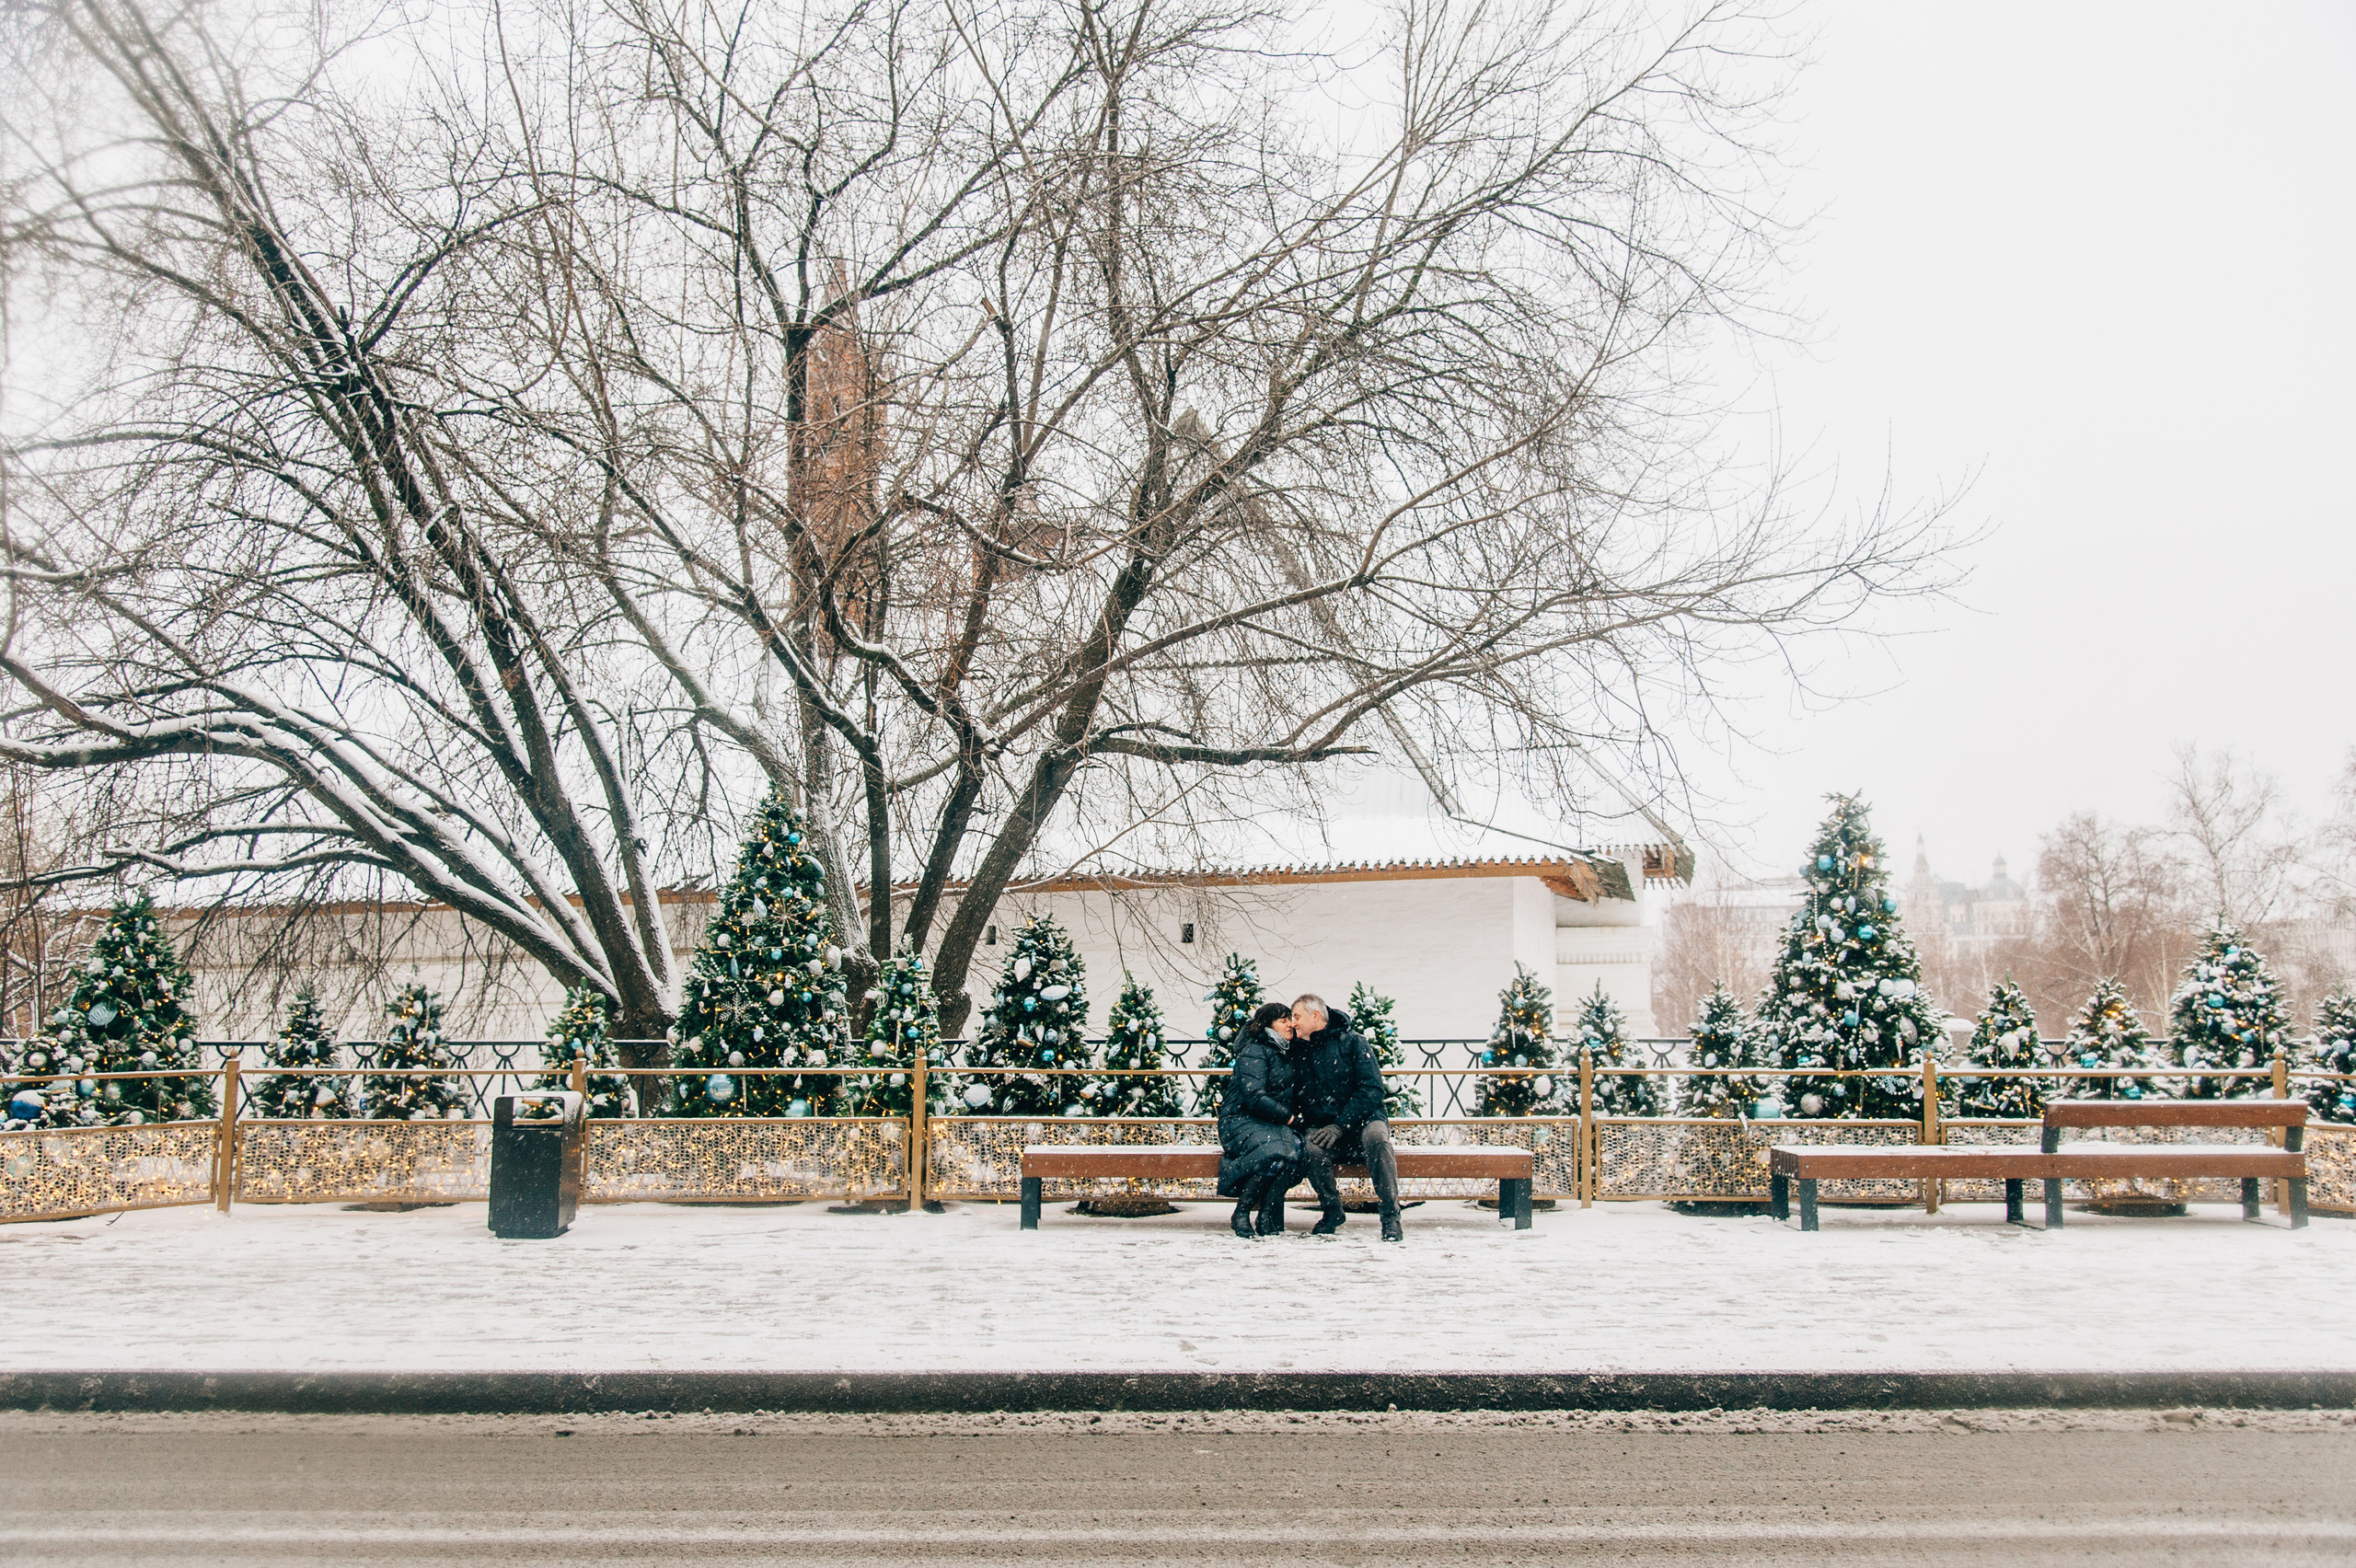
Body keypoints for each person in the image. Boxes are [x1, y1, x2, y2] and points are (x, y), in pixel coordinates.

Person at [1290, 992, 1404, 1240]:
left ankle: (1390, 1216)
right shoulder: (1297, 1049)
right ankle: (1332, 1211)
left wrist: (1340, 1125)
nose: (1293, 1022)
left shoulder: (1353, 1042)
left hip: (1364, 1119)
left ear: (1316, 1015)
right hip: (1323, 1124)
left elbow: (1371, 1089)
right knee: (1312, 1148)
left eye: (1297, 1016)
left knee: (1378, 1140)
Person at [1216, 1001, 1305, 1238]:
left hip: (1271, 1122)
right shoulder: (1254, 1050)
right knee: (1274, 1153)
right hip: (1239, 1119)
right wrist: (1290, 1119)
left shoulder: (1286, 1050)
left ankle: (1266, 1214)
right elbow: (1254, 1097)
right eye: (1283, 1020)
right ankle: (1242, 1212)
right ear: (1268, 1025)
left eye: (1290, 1019)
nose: (1290, 1024)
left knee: (1295, 1152)